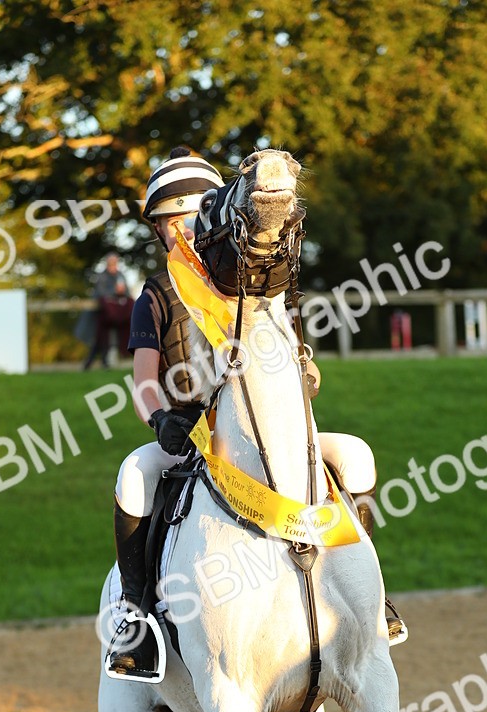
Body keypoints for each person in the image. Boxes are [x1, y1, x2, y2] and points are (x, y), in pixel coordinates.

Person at [106, 147, 405, 679]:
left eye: (190, 218)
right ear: (157, 231)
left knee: (356, 457)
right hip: (192, 439)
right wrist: (160, 420)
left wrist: (305, 377)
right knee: (133, 474)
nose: (181, 233)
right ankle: (135, 617)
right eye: (168, 224)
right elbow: (143, 384)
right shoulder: (155, 294)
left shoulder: (261, 288)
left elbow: (304, 368)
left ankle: (369, 598)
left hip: (265, 434)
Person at [83, 254, 133, 369]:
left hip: (119, 313)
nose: (113, 266)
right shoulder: (102, 276)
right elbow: (100, 292)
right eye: (111, 263)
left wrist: (122, 291)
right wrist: (114, 291)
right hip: (105, 314)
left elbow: (127, 292)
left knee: (117, 337)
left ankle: (106, 362)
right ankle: (92, 362)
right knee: (101, 338)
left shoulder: (121, 275)